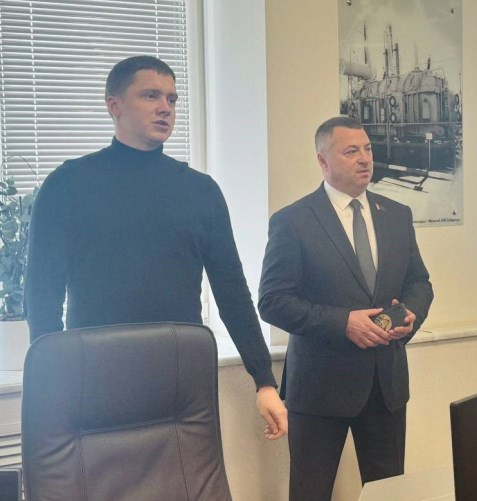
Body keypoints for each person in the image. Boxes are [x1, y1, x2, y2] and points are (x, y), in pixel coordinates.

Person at [24, 55, 287, 440]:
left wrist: (264, 381)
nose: (165, 107)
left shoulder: (200, 191)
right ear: (114, 105)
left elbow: (232, 291)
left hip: (179, 376)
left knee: (187, 476)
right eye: (151, 95)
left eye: (172, 99)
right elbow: (42, 293)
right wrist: (51, 380)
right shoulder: (68, 184)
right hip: (96, 375)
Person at [258, 116, 434, 501]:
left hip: (386, 385)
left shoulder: (397, 214)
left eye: (367, 149)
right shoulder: (293, 221)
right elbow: (273, 300)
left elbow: (420, 282)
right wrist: (343, 323)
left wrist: (411, 314)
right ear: (323, 161)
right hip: (319, 389)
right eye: (351, 151)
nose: (365, 159)